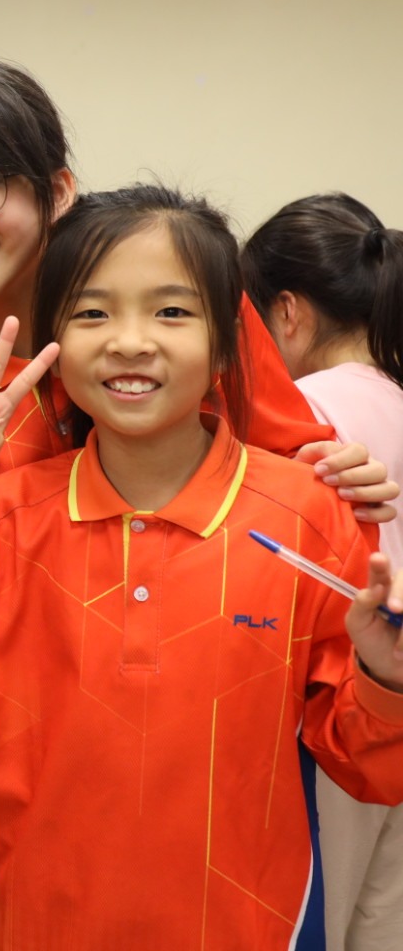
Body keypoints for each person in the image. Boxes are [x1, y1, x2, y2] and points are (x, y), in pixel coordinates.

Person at [0, 57, 397, 950]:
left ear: (56, 190)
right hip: (3, 735)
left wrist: (338, 474)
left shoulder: (176, 295)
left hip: (209, 712)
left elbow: (288, 467)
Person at [242, 193, 403, 951]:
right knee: (383, 922)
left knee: (323, 921)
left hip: (341, 715)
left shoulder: (300, 412)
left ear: (286, 312)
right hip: (393, 702)